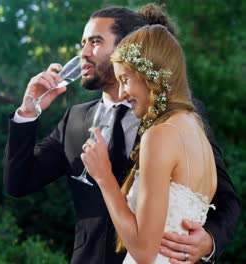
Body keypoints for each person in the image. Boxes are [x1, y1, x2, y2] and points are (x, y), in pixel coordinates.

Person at [3, 4, 240, 264]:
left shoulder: (179, 117)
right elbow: (18, 182)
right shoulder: (74, 120)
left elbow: (225, 199)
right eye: (82, 44)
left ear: (128, 45)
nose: (83, 53)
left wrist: (209, 242)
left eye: (94, 42)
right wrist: (27, 111)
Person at [82, 24, 216, 264]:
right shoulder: (197, 131)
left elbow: (144, 252)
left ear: (150, 74)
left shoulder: (160, 135)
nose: (121, 93)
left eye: (125, 79)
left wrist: (104, 177)